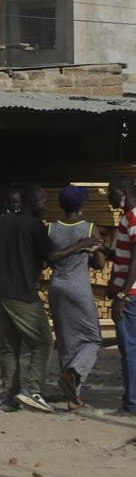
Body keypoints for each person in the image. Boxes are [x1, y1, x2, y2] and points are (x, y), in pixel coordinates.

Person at [0, 185, 92, 413]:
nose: (46, 205)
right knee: (42, 342)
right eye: (43, 201)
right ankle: (31, 389)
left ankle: (9, 398)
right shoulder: (35, 226)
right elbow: (51, 256)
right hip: (21, 294)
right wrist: (81, 245)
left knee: (9, 347)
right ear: (32, 201)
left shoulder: (2, 222)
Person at [47, 186, 105, 410]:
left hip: (56, 285)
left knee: (65, 340)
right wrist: (88, 255)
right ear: (81, 205)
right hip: (78, 285)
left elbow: (50, 260)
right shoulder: (90, 228)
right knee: (93, 338)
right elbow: (100, 263)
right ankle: (74, 372)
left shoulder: (51, 228)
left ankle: (73, 399)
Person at [105, 177, 136, 416]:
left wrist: (122, 295)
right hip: (127, 292)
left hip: (131, 296)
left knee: (129, 349)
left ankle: (132, 403)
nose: (108, 197)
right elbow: (124, 256)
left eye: (111, 192)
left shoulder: (133, 217)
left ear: (124, 191)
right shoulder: (126, 218)